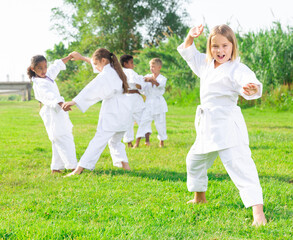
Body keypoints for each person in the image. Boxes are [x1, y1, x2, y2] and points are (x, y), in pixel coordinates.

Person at [177, 24, 267, 226]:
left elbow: (248, 82)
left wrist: (251, 89)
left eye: (225, 46)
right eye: (215, 46)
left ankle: (258, 213)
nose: (220, 51)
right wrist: (191, 36)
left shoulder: (237, 68)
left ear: (232, 45)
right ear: (210, 47)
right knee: (194, 161)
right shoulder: (206, 64)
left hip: (227, 125)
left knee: (240, 166)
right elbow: (188, 53)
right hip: (206, 125)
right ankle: (199, 197)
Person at [62, 49, 132, 176]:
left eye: (96, 63)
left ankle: (79, 169)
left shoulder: (106, 75)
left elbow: (91, 89)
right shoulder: (116, 70)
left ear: (103, 61)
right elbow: (98, 68)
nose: (95, 67)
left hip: (113, 112)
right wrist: (83, 58)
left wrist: (75, 101)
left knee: (99, 140)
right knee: (115, 141)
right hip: (124, 111)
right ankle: (126, 167)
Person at [27, 55, 78, 173]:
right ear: (33, 69)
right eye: (40, 68)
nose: (44, 70)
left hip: (57, 111)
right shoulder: (39, 83)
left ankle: (56, 168)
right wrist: (61, 104)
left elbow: (56, 66)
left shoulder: (47, 76)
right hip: (53, 111)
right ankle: (73, 166)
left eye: (45, 67)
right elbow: (49, 95)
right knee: (63, 137)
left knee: (58, 138)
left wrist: (70, 56)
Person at [133, 58, 168, 148]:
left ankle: (161, 142)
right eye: (150, 67)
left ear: (159, 67)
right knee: (144, 121)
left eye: (153, 66)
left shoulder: (162, 78)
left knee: (160, 123)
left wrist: (152, 80)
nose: (151, 68)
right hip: (148, 103)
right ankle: (137, 142)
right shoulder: (147, 76)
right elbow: (142, 88)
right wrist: (137, 83)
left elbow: (159, 85)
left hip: (158, 103)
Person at [120, 54, 145, 148]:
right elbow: (138, 84)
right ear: (125, 64)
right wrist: (142, 86)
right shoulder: (130, 72)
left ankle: (129, 143)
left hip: (125, 97)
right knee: (141, 119)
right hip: (134, 97)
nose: (133, 65)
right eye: (131, 63)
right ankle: (138, 142)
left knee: (128, 121)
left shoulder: (119, 72)